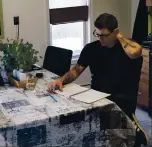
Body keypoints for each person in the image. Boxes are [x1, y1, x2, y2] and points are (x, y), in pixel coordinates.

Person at [48, 13, 149, 146]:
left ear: (115, 33)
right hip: (97, 98)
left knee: (123, 137)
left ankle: (136, 131)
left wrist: (119, 36)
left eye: (104, 35)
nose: (100, 38)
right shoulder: (91, 48)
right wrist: (61, 80)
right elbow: (76, 70)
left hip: (122, 101)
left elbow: (135, 52)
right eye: (97, 34)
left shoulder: (128, 48)